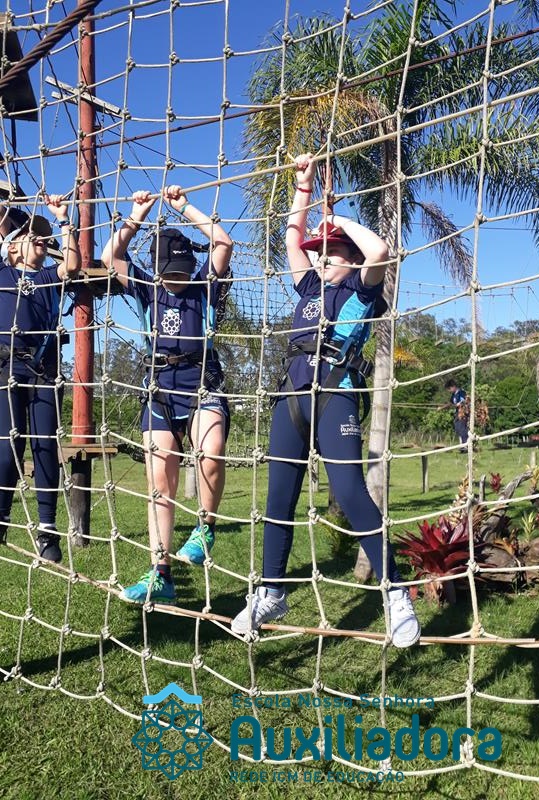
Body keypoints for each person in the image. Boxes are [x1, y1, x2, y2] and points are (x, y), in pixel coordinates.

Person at [231, 153, 420, 648]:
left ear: (350, 260)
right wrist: (304, 184)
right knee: (278, 499)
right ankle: (271, 592)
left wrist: (339, 223)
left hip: (336, 392)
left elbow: (379, 251)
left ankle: (395, 593)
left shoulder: (361, 288)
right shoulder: (309, 286)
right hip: (291, 397)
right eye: (321, 254)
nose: (321, 259)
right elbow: (291, 238)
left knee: (351, 491)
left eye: (331, 253)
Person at [101, 186, 232, 604]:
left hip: (202, 381)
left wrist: (183, 207)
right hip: (159, 388)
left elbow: (224, 242)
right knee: (160, 481)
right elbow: (110, 256)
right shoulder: (146, 288)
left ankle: (205, 528)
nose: (176, 276)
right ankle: (161, 575)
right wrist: (137, 213)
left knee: (210, 452)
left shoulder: (203, 288)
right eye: (169, 270)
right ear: (157, 270)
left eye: (182, 269)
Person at [0, 195, 81, 562]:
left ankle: (47, 530)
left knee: (46, 446)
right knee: (8, 448)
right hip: (6, 369)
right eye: (29, 235)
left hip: (43, 370)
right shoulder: (2, 273)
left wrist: (63, 220)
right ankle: (2, 516)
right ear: (11, 244)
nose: (39, 240)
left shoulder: (49, 276)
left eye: (43, 238)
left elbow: (72, 264)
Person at [439, 378, 469, 452]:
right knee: (457, 428)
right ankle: (463, 444)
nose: (449, 391)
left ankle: (466, 445)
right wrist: (441, 408)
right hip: (457, 414)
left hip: (463, 413)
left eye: (449, 389)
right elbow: (450, 403)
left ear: (453, 386)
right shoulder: (453, 395)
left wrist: (458, 404)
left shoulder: (461, 392)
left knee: (462, 428)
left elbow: (464, 401)